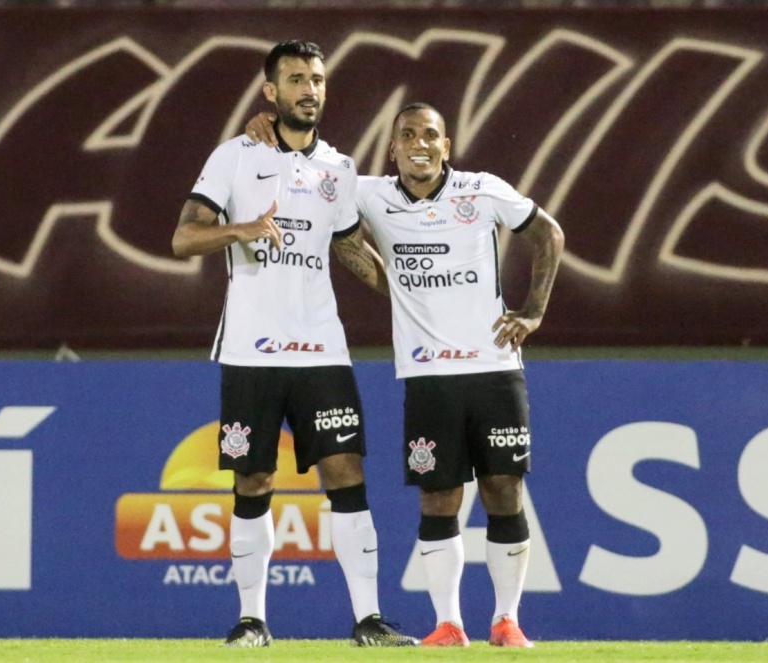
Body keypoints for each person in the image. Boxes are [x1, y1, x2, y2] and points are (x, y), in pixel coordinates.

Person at [247, 102, 564, 647]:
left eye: (430, 135)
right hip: (427, 375)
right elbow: (314, 187)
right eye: (408, 135)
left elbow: (548, 234)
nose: (419, 143)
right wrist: (266, 136)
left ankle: (507, 621)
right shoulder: (370, 193)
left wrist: (532, 311)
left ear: (447, 146)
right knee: (438, 497)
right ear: (392, 148)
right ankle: (449, 625)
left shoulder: (482, 189)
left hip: (493, 367)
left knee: (503, 490)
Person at [173, 40, 416, 648]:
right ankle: (251, 620)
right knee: (253, 481)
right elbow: (183, 238)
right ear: (270, 92)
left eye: (317, 79)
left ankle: (368, 620)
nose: (309, 89)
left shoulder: (338, 169)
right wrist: (241, 229)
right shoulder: (235, 157)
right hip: (252, 354)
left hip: (321, 351)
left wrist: (411, 292)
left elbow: (348, 248)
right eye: (296, 79)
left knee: (346, 473)